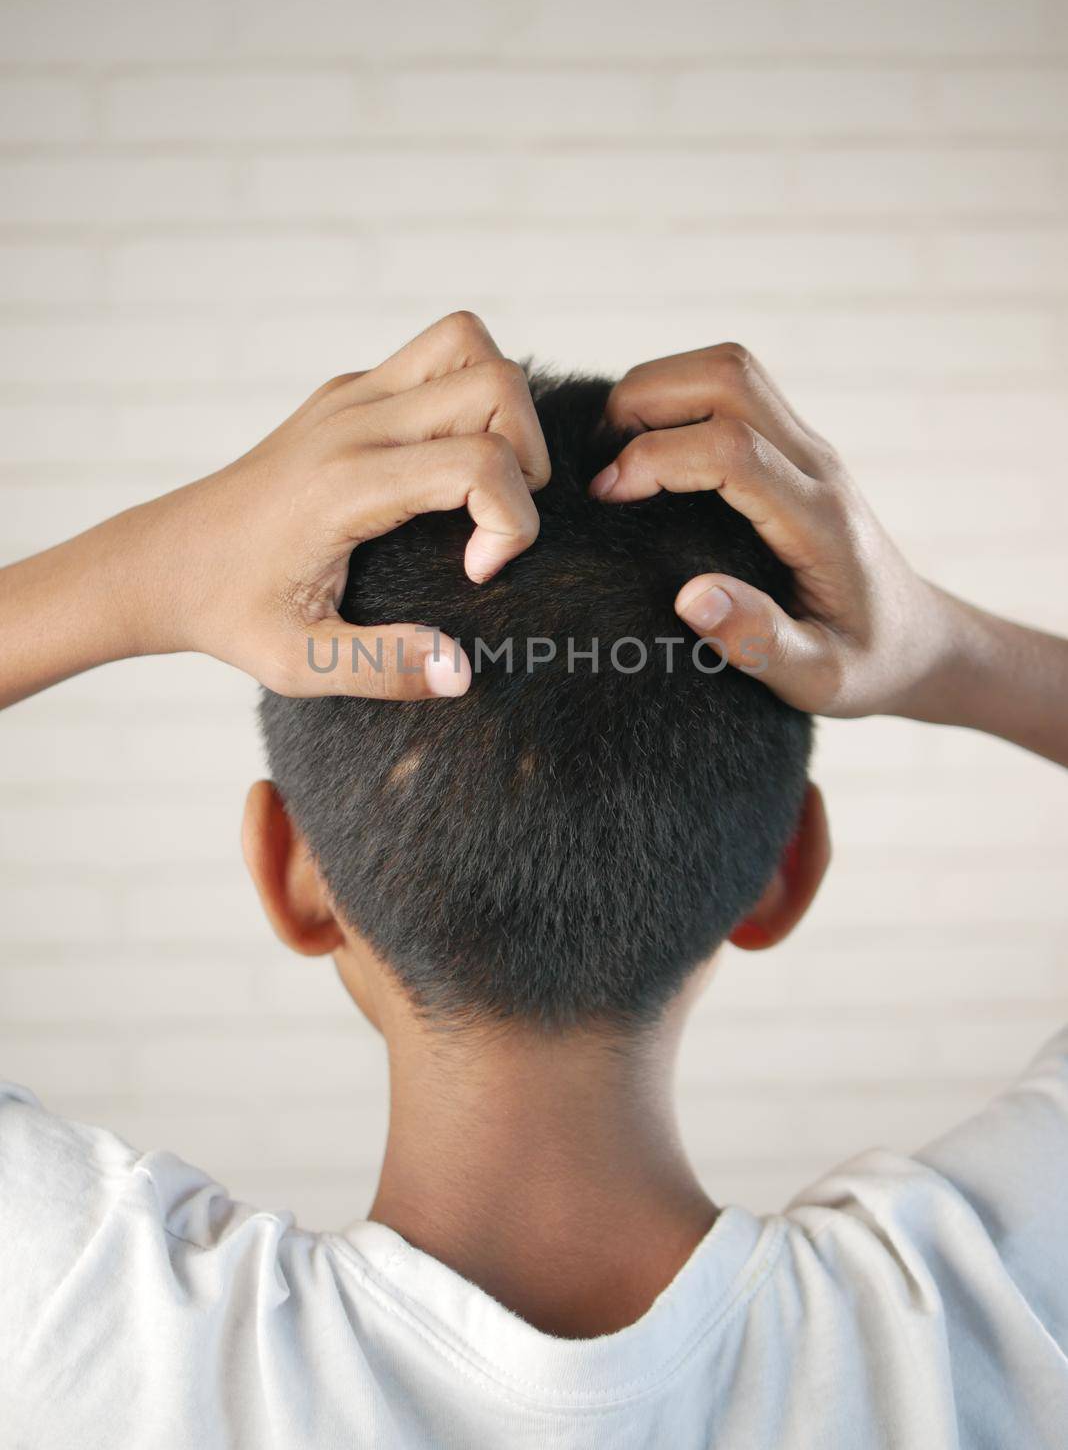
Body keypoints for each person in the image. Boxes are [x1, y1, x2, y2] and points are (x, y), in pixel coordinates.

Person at [0, 310, 1065, 1447]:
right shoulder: (976, 1321)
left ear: (286, 868)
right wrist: (943, 651)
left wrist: (148, 568)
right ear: (786, 866)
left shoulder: (101, 1338)